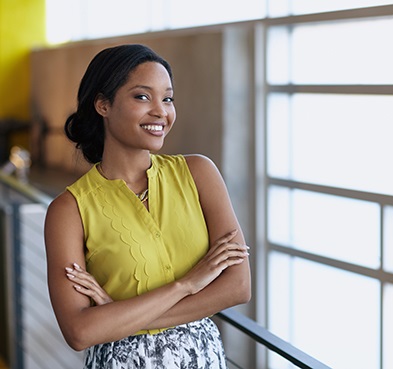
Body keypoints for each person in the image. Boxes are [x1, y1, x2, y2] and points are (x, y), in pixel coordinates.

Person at [44, 44, 251, 369]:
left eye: (167, 98)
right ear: (103, 105)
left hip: (203, 359)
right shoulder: (69, 210)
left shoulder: (199, 174)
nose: (161, 111)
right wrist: (186, 285)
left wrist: (118, 315)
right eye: (142, 97)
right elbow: (80, 331)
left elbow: (238, 286)